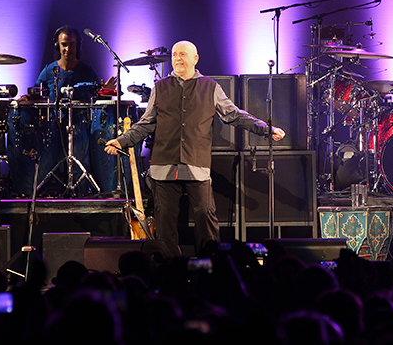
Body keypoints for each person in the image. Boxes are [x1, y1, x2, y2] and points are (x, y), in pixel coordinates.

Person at [104, 40, 286, 258]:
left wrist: (265, 129)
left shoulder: (210, 87)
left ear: (195, 59)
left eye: (182, 54)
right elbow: (146, 123)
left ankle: (209, 267)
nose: (178, 58)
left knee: (205, 217)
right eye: (174, 55)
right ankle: (172, 270)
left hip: (196, 164)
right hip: (164, 165)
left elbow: (234, 115)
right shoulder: (160, 88)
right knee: (164, 223)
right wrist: (121, 141)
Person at [12, 25, 103, 196]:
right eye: (64, 44)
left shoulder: (87, 71)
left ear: (78, 45)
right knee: (48, 165)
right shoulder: (49, 71)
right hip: (52, 127)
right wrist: (28, 97)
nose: (68, 49)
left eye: (72, 44)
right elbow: (36, 92)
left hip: (81, 128)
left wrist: (106, 90)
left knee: (79, 165)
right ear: (58, 46)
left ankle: (79, 198)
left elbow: (99, 95)